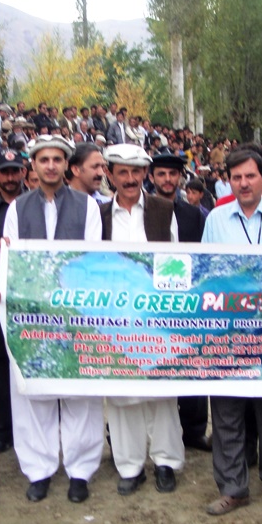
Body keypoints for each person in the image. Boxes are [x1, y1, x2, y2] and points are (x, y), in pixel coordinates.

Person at [1, 134, 104, 503]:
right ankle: (39, 469)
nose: (50, 166)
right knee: (34, 393)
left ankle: (80, 470)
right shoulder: (17, 208)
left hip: (75, 313)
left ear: (66, 165)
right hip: (32, 315)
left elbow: (92, 258)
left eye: (57, 159)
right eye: (43, 160)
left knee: (80, 391)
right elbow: (11, 261)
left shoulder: (88, 206)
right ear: (33, 165)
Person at [201, 146, 262, 515]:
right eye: (236, 177)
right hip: (227, 331)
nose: (243, 183)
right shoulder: (216, 218)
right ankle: (233, 487)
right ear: (228, 181)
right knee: (226, 410)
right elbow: (205, 270)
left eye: (250, 176)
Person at [101, 144, 186, 494]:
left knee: (162, 392)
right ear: (109, 175)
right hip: (114, 317)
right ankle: (130, 466)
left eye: (136, 171)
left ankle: (166, 462)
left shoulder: (164, 210)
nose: (130, 178)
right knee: (121, 395)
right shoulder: (99, 215)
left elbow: (176, 259)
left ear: (145, 174)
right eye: (122, 171)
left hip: (157, 315)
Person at [149, 152, 211, 451]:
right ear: (152, 177)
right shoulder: (143, 211)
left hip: (188, 299)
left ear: (180, 178)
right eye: (161, 174)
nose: (167, 179)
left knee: (192, 362)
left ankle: (194, 430)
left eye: (172, 174)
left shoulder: (194, 214)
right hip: (149, 300)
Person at [0, 148, 26, 452]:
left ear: (23, 172)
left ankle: (28, 429)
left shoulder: (32, 206)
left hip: (29, 297)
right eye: (5, 172)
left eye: (15, 171)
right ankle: (2, 430)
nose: (10, 177)